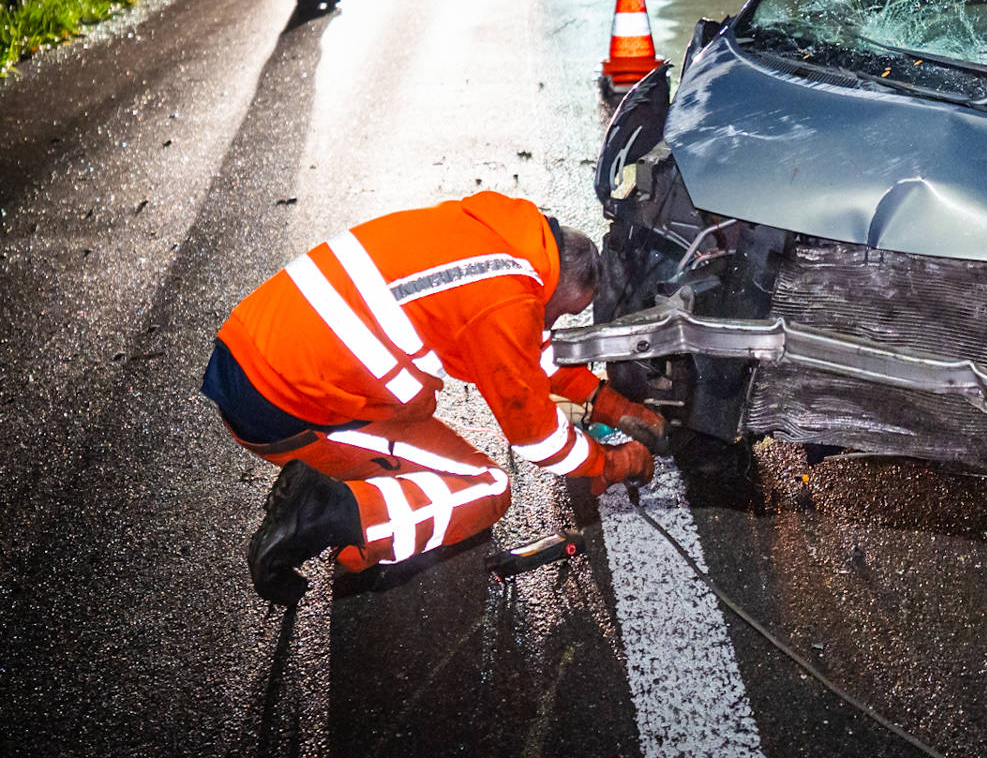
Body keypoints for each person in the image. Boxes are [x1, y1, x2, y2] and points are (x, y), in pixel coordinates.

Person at [201, 191, 664, 604]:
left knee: (447, 461)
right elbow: (536, 437)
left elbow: (532, 354)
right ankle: (333, 513)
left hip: (255, 353)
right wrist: (612, 462)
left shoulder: (499, 237)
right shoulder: (505, 303)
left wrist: (615, 408)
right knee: (487, 488)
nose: (553, 328)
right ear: (553, 292)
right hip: (290, 406)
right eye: (563, 315)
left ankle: (337, 498)